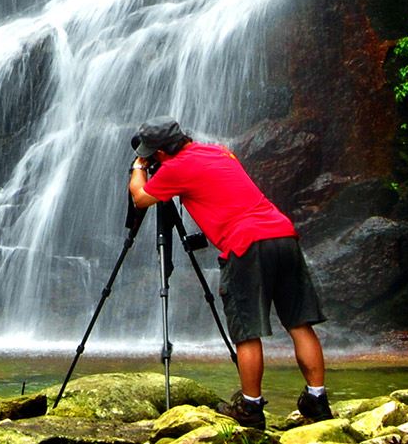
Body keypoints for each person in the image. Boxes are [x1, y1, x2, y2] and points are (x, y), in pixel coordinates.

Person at [127, 118, 330, 429]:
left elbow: (140, 198)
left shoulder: (174, 169)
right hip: (283, 234)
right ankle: (317, 399)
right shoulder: (220, 152)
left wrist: (139, 168)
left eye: (151, 153)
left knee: (246, 331)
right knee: (299, 323)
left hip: (245, 244)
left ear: (161, 153)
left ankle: (250, 408)